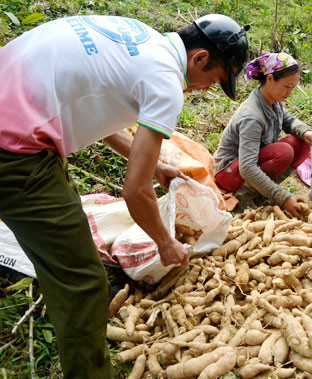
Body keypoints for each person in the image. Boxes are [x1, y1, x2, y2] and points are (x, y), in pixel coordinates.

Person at [0, 13, 248, 377]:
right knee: (84, 281)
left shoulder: (139, 38)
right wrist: (165, 242)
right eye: (214, 79)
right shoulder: (165, 82)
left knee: (65, 234)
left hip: (18, 122)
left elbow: (96, 111)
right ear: (199, 58)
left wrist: (155, 165)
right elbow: (135, 190)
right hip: (14, 150)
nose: (206, 89)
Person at [213, 53, 312, 218]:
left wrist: (306, 131)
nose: (290, 92)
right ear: (270, 79)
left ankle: (262, 192)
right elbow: (247, 168)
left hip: (248, 166)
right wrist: (282, 197)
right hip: (229, 173)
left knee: (302, 142)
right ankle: (244, 195)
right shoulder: (252, 116)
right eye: (287, 86)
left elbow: (289, 120)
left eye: (293, 87)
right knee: (283, 152)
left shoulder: (273, 101)